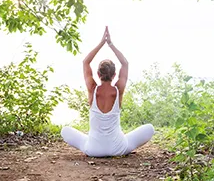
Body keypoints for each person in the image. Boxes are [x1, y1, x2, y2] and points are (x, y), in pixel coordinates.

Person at [61, 27, 154, 157]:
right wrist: (110, 44)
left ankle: (96, 144)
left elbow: (85, 62)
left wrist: (101, 43)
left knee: (65, 131)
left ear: (98, 74)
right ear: (115, 74)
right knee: (150, 128)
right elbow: (125, 63)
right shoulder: (118, 90)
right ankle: (115, 141)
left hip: (93, 150)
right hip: (118, 148)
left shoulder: (92, 89)